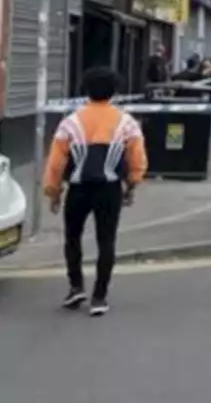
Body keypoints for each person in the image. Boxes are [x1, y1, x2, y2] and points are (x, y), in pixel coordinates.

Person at [42, 67, 147, 316]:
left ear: (86, 91)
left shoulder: (70, 122)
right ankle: (99, 297)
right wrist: (132, 184)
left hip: (78, 190)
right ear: (114, 92)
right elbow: (137, 159)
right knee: (106, 240)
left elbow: (55, 163)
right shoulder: (126, 122)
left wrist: (53, 192)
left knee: (73, 238)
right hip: (109, 189)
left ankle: (76, 286)